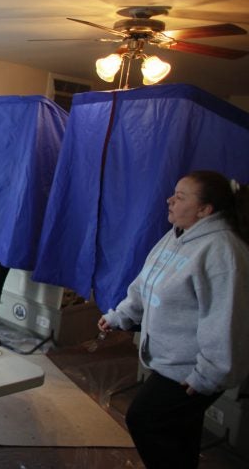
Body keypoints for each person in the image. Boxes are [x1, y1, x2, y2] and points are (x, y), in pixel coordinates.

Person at [99, 170, 249, 469]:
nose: (170, 200)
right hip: (171, 361)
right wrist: (121, 316)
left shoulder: (223, 251)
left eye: (180, 197)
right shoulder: (176, 236)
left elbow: (225, 319)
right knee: (180, 432)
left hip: (192, 369)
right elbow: (146, 284)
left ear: (205, 210)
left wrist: (208, 374)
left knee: (144, 420)